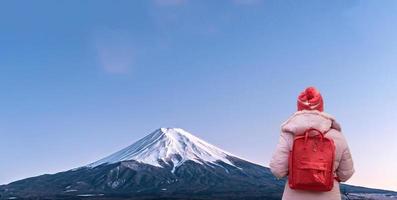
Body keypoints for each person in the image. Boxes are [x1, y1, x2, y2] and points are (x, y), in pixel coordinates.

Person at [269, 87, 354, 200]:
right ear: (321, 107)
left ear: (299, 107)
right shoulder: (337, 135)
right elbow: (346, 174)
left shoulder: (289, 134)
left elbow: (278, 171)